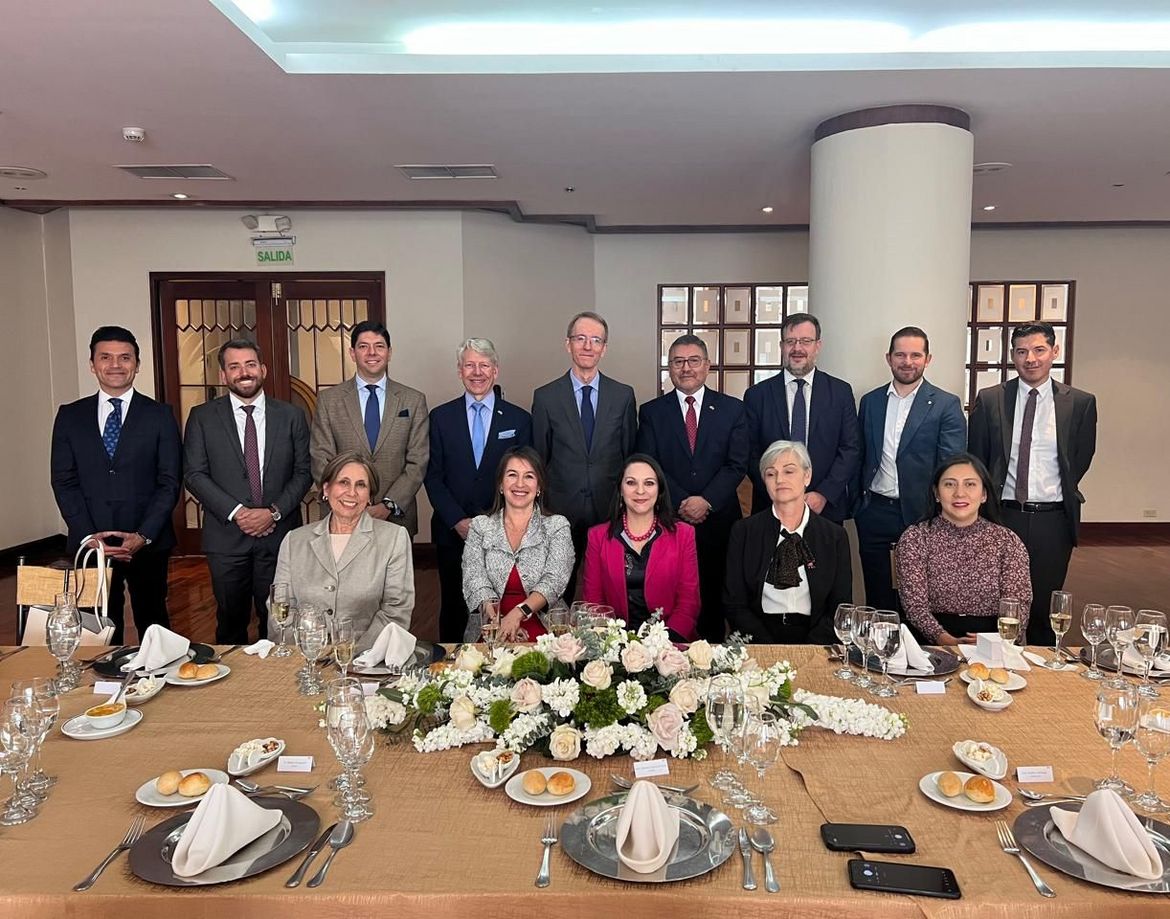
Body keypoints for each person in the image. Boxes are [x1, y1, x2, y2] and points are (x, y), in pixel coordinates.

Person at [50, 326, 182, 644]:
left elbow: (169, 481)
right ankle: (103, 676)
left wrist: (143, 535)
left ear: (137, 364)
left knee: (154, 622)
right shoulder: (70, 416)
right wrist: (88, 536)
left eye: (125, 358)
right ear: (92, 364)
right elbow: (63, 480)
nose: (115, 365)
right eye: (105, 357)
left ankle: (155, 671)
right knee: (98, 629)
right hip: (91, 542)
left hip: (147, 542)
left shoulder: (160, 415)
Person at [968, 321, 1097, 646]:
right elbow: (977, 459)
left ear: (1054, 351)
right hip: (1001, 515)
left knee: (1042, 608)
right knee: (996, 602)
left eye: (1039, 350)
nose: (1030, 359)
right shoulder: (991, 399)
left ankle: (1040, 670)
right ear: (1012, 355)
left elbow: (1080, 458)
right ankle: (994, 666)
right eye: (1022, 351)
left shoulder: (1080, 403)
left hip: (1053, 520)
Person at [183, 339, 312, 643]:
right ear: (223, 375)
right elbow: (194, 474)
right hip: (226, 538)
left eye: (250, 364)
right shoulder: (202, 417)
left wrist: (273, 512)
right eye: (234, 366)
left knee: (280, 622)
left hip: (279, 536)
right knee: (230, 623)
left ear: (263, 370)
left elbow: (304, 472)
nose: (244, 372)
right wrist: (239, 513)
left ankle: (276, 675)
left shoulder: (291, 416)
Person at [636, 334, 747, 642]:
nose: (686, 368)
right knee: (670, 593)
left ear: (707, 365)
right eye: (678, 361)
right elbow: (649, 464)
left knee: (715, 592)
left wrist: (706, 500)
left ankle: (712, 652)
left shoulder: (732, 409)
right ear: (669, 368)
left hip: (719, 519)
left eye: (693, 361)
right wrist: (683, 501)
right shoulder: (651, 412)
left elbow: (737, 464)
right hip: (670, 518)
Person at [424, 338, 532, 641]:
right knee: (454, 606)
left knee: (501, 606)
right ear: (459, 370)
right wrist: (457, 520)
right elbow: (432, 476)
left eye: (484, 365)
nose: (477, 372)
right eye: (469, 365)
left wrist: (498, 522)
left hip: (504, 532)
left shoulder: (519, 419)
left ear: (495, 370)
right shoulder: (440, 417)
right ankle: (451, 663)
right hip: (452, 531)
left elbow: (525, 479)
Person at [854, 327, 966, 613]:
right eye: (900, 355)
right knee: (877, 594)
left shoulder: (946, 404)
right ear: (889, 358)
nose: (907, 362)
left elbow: (951, 467)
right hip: (874, 512)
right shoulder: (871, 401)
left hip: (922, 514)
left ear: (928, 359)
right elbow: (860, 455)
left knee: (919, 598)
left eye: (915, 355)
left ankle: (916, 644)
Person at [532, 311, 637, 600]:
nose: (588, 346)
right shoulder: (546, 396)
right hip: (560, 511)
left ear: (604, 348)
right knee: (557, 590)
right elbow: (539, 459)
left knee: (610, 589)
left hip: (609, 509)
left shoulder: (623, 395)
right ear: (568, 344)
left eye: (596, 340)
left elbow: (629, 456)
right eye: (580, 338)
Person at [267, 452, 413, 648]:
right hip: (305, 656)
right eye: (343, 482)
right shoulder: (294, 540)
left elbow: (396, 612)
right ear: (326, 489)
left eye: (361, 485)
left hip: (365, 657)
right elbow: (280, 608)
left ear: (369, 496)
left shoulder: (394, 538)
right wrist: (309, 652)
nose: (351, 493)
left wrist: (354, 655)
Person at [723, 440, 852, 644]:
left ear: (807, 476)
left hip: (817, 640)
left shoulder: (834, 536)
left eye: (789, 471)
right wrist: (769, 648)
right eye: (771, 474)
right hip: (758, 639)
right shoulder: (744, 531)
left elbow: (841, 607)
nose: (779, 479)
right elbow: (734, 603)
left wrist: (808, 650)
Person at [896, 454, 1032, 645]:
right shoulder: (915, 538)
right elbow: (914, 606)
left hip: (994, 641)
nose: (959, 493)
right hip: (929, 643)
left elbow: (1018, 606)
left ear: (984, 494)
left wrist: (994, 640)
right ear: (936, 493)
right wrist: (944, 639)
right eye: (949, 484)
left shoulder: (1007, 541)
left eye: (970, 484)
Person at [310, 320, 429, 536]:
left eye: (379, 346)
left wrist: (388, 504)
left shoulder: (413, 400)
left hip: (396, 518)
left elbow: (418, 461)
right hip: (342, 515)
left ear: (389, 353)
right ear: (352, 353)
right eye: (363, 346)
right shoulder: (329, 400)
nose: (372, 352)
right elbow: (321, 458)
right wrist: (349, 502)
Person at [743, 313, 860, 522]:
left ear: (817, 346)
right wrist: (778, 491)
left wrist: (823, 494)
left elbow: (850, 449)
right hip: (771, 507)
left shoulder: (840, 392)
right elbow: (750, 453)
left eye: (806, 341)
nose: (797, 348)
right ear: (782, 346)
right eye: (790, 341)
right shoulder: (757, 395)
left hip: (824, 509)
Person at [582, 455, 700, 641]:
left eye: (649, 483)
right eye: (631, 482)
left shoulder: (684, 534)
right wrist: (613, 644)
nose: (640, 490)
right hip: (614, 643)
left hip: (670, 643)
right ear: (620, 490)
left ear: (660, 490)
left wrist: (663, 645)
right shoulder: (597, 536)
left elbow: (688, 602)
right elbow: (593, 602)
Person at [462, 447, 574, 642]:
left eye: (529, 476)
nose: (520, 484)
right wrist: (499, 623)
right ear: (501, 484)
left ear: (539, 487)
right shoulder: (480, 526)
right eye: (512, 475)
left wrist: (517, 614)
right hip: (490, 628)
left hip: (545, 630)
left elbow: (554, 580)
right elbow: (474, 579)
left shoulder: (557, 526)